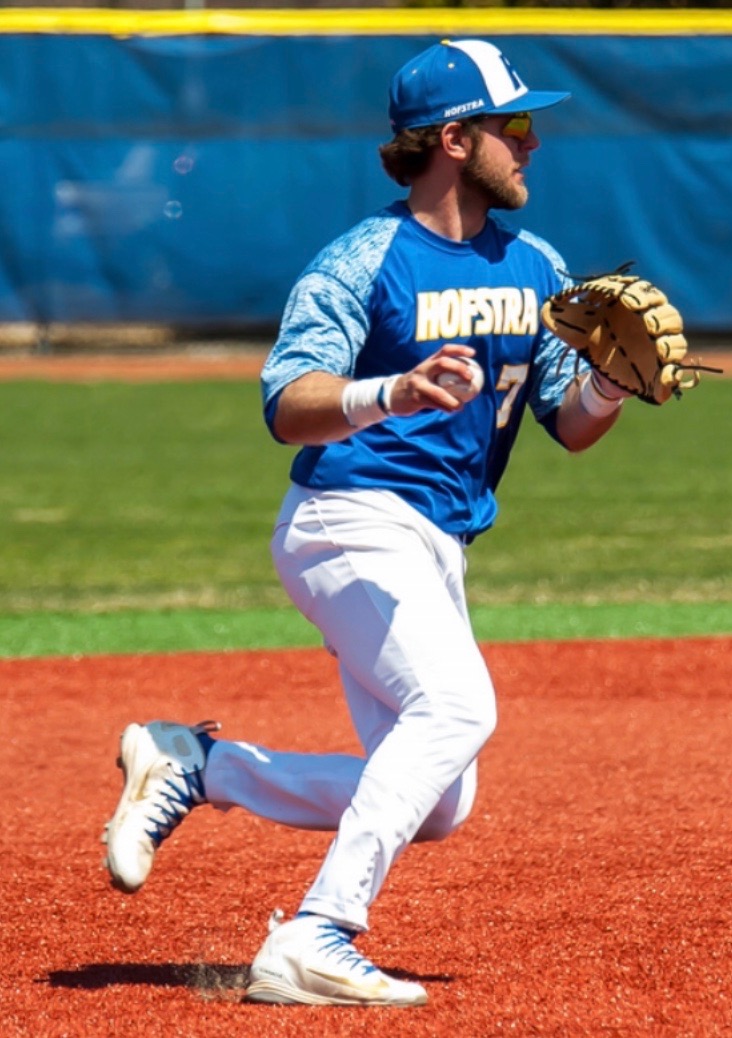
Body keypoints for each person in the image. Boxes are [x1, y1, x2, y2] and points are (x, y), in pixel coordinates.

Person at [102, 37, 633, 1008]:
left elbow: (569, 425)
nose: (534, 143)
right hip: (346, 521)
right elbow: (287, 402)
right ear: (452, 138)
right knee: (460, 710)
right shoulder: (365, 259)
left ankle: (201, 764)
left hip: (436, 545)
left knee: (437, 802)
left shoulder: (538, 262)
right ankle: (316, 933)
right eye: (515, 125)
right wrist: (392, 390)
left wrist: (612, 380)